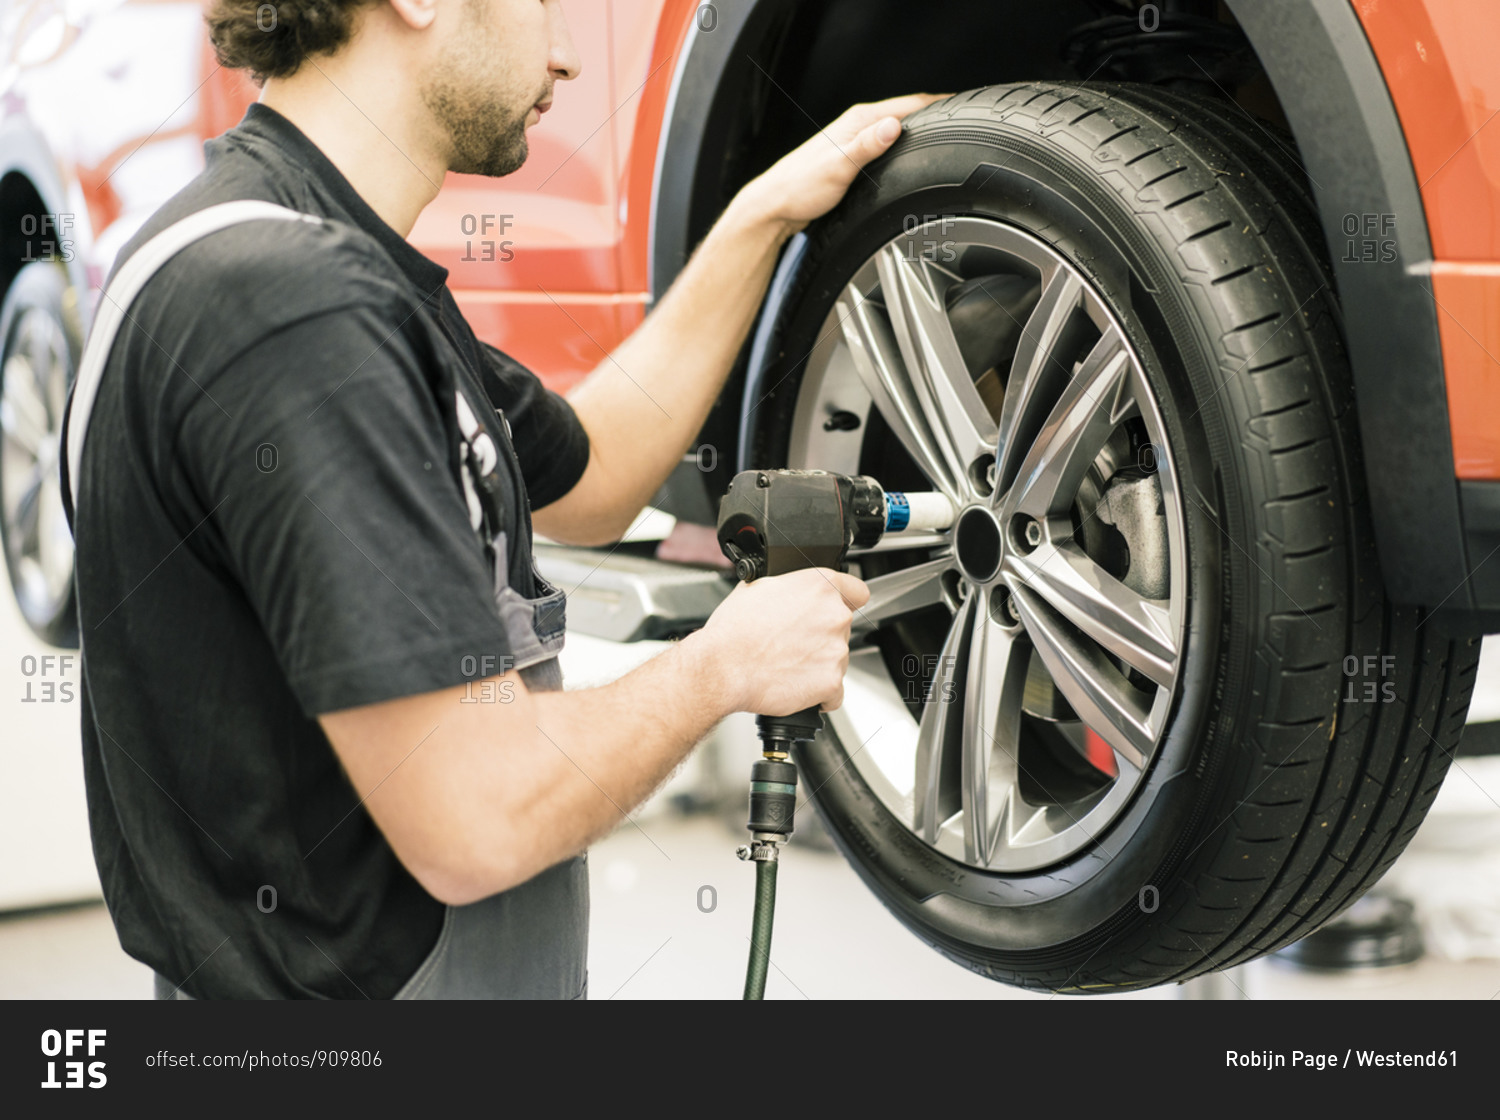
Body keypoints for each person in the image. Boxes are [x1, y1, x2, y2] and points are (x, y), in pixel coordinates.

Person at [65, 0, 936, 998]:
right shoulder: (293, 310)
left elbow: (599, 470)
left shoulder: (307, 261)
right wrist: (725, 664)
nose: (566, 57)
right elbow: (475, 820)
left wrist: (761, 217)